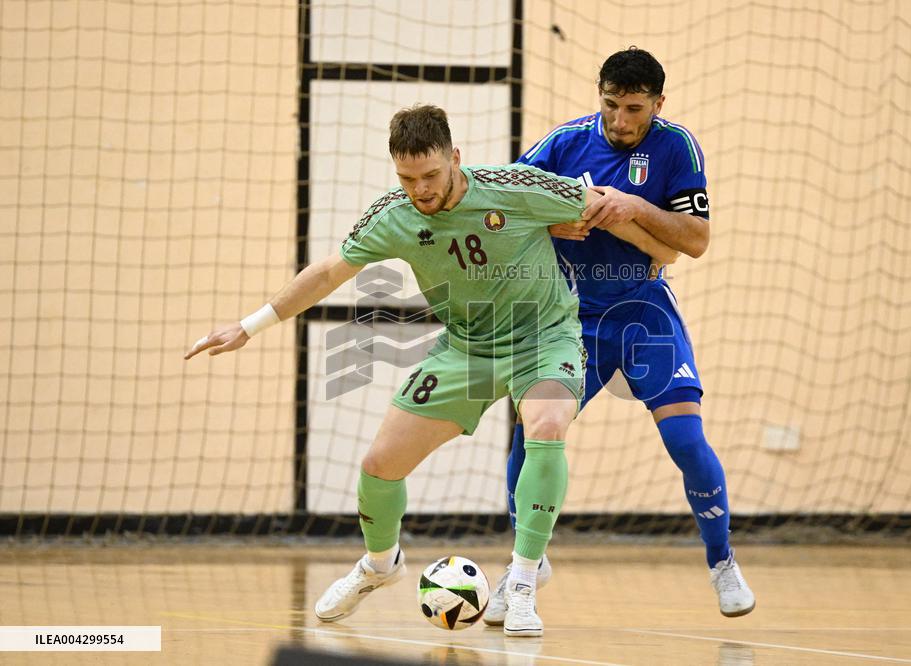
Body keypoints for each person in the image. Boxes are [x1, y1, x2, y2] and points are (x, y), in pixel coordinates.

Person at [184, 104, 678, 637]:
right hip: (465, 348)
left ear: (455, 158)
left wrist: (657, 254)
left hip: (544, 337)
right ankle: (380, 564)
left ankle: (523, 581)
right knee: (379, 465)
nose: (420, 189)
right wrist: (249, 325)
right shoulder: (395, 215)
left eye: (431, 176)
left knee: (547, 425)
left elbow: (605, 204)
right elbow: (329, 272)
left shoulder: (515, 186)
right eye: (407, 178)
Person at [485, 48, 756, 625]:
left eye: (634, 108)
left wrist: (636, 207)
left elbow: (697, 240)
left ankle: (721, 559)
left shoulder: (676, 147)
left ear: (659, 103)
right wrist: (549, 221)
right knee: (531, 434)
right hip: (568, 316)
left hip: (643, 312)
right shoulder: (565, 142)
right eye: (610, 104)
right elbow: (501, 202)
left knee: (685, 439)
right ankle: (523, 566)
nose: (620, 120)